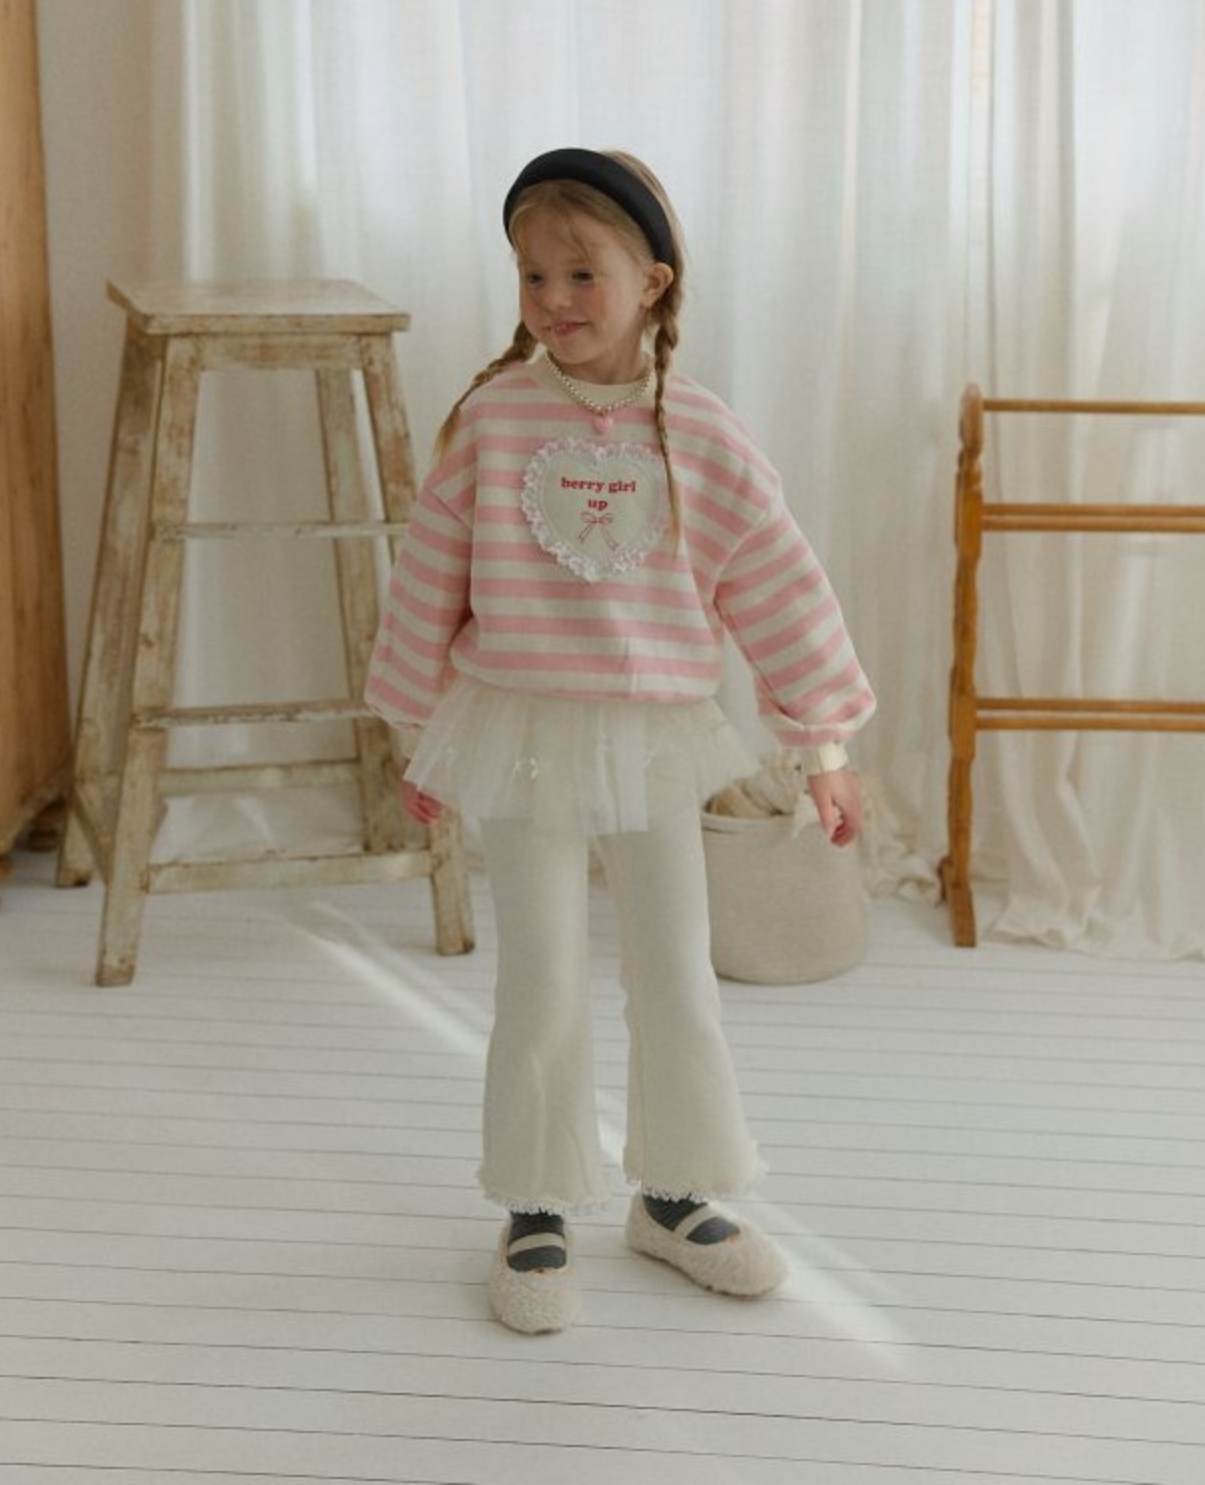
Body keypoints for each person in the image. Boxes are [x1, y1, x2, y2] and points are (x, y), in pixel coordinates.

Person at [365, 147, 875, 1333]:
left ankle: (676, 1195)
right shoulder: (492, 421)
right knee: (539, 981)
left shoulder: (700, 433)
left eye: (581, 274)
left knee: (675, 974)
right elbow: (427, 581)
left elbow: (779, 588)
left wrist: (823, 746)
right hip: (517, 732)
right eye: (533, 276)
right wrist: (414, 730)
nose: (553, 299)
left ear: (651, 281)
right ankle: (536, 1204)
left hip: (653, 737)